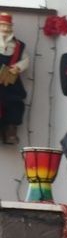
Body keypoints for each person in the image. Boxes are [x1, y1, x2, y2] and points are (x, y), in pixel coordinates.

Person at [0, 13, 28, 144]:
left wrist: (17, 67)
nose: (5, 29)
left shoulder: (18, 45)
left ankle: (11, 131)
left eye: (8, 26)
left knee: (15, 102)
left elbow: (25, 60)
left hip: (10, 79)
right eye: (2, 26)